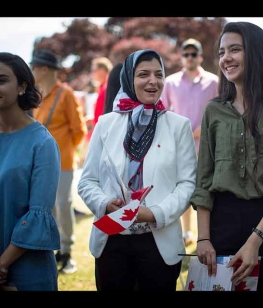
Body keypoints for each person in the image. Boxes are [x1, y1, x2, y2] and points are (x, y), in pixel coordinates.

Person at [189, 21, 263, 291]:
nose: (225, 58)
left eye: (235, 50)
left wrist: (255, 240)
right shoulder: (214, 111)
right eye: (221, 52)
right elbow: (204, 179)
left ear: (256, 53)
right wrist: (203, 239)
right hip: (220, 225)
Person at [77, 49, 197, 291]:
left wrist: (154, 213)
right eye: (143, 74)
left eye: (159, 74)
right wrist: (104, 204)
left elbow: (187, 184)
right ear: (129, 79)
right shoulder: (106, 123)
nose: (153, 81)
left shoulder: (178, 125)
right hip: (111, 242)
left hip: (159, 242)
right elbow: (87, 180)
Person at [0, 52, 61, 290]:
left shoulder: (42, 143)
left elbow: (38, 216)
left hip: (27, 272)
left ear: (22, 87)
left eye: (1, 80)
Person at [31, 49, 87, 274]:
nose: (32, 71)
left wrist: (64, 151)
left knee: (63, 206)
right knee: (47, 207)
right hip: (41, 164)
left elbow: (79, 130)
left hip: (62, 162)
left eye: (34, 67)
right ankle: (52, 251)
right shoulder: (37, 94)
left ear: (44, 69)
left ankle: (67, 252)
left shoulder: (66, 94)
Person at [162, 38, 219, 247]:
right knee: (182, 189)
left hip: (208, 147)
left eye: (193, 54)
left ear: (200, 57)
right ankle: (186, 232)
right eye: (186, 54)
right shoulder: (170, 82)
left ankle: (208, 233)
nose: (189, 57)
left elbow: (222, 112)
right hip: (179, 147)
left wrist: (206, 128)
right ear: (181, 57)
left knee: (207, 190)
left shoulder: (214, 82)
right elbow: (162, 112)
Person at [91, 56, 113, 125]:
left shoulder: (107, 88)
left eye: (94, 71)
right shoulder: (101, 87)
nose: (92, 74)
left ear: (102, 71)